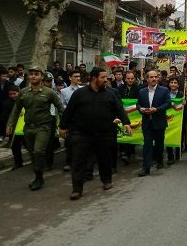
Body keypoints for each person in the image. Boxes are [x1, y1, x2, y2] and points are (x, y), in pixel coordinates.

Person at [60, 67, 131, 200]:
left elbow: (119, 109)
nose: (106, 80)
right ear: (94, 78)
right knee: (78, 161)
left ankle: (106, 180)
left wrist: (126, 122)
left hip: (104, 133)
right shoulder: (79, 94)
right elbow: (69, 111)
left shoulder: (110, 94)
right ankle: (77, 189)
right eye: (103, 77)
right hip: (82, 133)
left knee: (105, 158)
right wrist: (63, 127)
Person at [6, 66, 64, 191]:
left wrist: (64, 125)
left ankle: (39, 176)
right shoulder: (24, 92)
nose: (33, 76)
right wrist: (10, 124)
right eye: (31, 74)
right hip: (28, 128)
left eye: (36, 74)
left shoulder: (49, 93)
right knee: (32, 153)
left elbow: (61, 109)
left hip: (44, 127)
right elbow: (16, 109)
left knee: (38, 151)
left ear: (41, 77)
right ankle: (38, 176)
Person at [137, 70, 172, 177]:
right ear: (147, 79)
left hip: (159, 122)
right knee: (147, 144)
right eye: (151, 77)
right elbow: (138, 104)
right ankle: (146, 168)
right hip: (147, 123)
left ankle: (159, 160)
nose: (153, 79)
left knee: (159, 144)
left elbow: (168, 104)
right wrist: (141, 109)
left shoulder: (164, 90)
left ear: (158, 78)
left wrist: (156, 109)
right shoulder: (142, 91)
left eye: (155, 77)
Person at [60, 69, 82, 171]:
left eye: (79, 76)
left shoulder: (83, 89)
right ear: (70, 78)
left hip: (82, 120)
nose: (78, 78)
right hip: (70, 120)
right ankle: (69, 162)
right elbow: (62, 106)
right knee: (69, 142)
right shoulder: (64, 91)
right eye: (75, 76)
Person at [165, 76, 183, 165]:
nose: (173, 84)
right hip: (168, 117)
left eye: (175, 83)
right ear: (169, 84)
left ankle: (177, 153)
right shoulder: (165, 93)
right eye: (171, 82)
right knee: (168, 135)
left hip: (178, 119)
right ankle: (170, 156)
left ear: (178, 85)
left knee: (177, 135)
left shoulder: (181, 94)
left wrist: (184, 102)